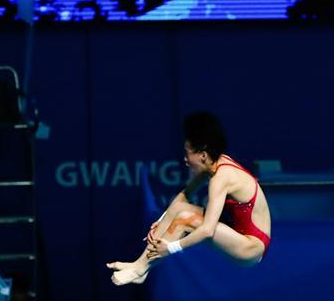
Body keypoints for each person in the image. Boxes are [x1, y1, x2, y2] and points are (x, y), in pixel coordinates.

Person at [106, 111, 271, 285]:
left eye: (187, 153)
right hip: (237, 234)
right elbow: (185, 196)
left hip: (251, 248)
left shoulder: (221, 178)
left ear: (202, 155)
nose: (185, 159)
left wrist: (170, 248)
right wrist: (163, 220)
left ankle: (141, 269)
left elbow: (208, 230)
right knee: (177, 210)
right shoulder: (213, 163)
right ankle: (140, 267)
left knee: (184, 218)